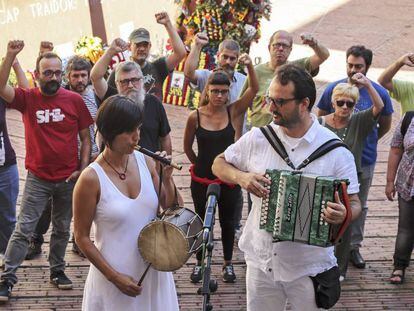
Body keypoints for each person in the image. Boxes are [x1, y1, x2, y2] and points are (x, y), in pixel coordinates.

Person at [211, 64, 361, 310]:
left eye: (280, 102)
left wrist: (344, 213)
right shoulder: (259, 137)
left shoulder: (336, 151)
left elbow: (354, 202)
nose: (271, 107)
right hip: (261, 261)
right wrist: (242, 178)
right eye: (270, 99)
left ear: (304, 103)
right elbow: (218, 164)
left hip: (310, 266)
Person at [0, 40, 93, 302]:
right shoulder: (28, 99)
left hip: (68, 178)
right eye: (47, 72)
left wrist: (82, 169)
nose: (52, 77)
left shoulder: (74, 100)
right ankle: (7, 278)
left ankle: (57, 270)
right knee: (24, 229)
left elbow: (86, 137)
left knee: (63, 228)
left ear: (62, 74)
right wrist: (9, 56)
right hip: (38, 178)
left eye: (56, 72)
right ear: (37, 75)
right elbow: (1, 87)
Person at [73, 95, 179, 310]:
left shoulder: (146, 161)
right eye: (129, 131)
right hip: (113, 276)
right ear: (109, 132)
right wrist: (114, 277)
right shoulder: (90, 178)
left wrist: (167, 179)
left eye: (138, 128)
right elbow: (81, 238)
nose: (136, 137)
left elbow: (172, 209)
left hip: (153, 271)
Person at [183, 53, 258, 283]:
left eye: (223, 91)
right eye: (214, 91)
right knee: (200, 221)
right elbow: (187, 148)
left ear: (228, 92)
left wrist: (249, 66)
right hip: (202, 178)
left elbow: (254, 89)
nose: (219, 95)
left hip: (228, 178)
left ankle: (227, 263)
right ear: (207, 91)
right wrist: (200, 165)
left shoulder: (232, 111)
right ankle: (199, 261)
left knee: (227, 222)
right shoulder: (194, 117)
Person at [317, 45, 394, 269]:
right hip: (331, 166)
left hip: (364, 159)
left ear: (367, 67)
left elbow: (385, 124)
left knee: (358, 205)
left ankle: (353, 247)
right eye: (350, 65)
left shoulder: (377, 92)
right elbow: (322, 118)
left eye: (358, 66)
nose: (353, 70)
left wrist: (364, 141)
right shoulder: (334, 87)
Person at [25, 55, 100, 260]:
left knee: (83, 203)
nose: (80, 80)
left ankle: (79, 240)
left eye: (84, 75)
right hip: (64, 161)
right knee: (48, 204)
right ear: (68, 76)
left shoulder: (95, 96)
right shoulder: (61, 95)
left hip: (88, 158)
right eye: (75, 75)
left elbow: (95, 129)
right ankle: (36, 239)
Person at [91, 38, 172, 154]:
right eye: (124, 81)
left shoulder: (153, 102)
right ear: (116, 83)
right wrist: (110, 51)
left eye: (134, 80)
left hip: (149, 167)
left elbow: (165, 137)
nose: (130, 85)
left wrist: (166, 168)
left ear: (142, 80)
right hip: (115, 168)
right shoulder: (111, 99)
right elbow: (95, 77)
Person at [242, 30, 330, 129]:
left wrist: (314, 44)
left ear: (290, 50)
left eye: (285, 46)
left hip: (287, 134)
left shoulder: (297, 68)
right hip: (259, 134)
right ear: (269, 47)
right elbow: (241, 106)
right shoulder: (256, 72)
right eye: (277, 45)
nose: (280, 49)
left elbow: (323, 56)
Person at [102, 11, 186, 101]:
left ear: (150, 46)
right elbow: (107, 97)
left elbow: (180, 53)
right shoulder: (119, 72)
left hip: (154, 114)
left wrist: (167, 24)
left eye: (145, 45)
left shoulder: (158, 67)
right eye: (138, 45)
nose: (142, 48)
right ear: (129, 47)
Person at [0, 57, 29, 268]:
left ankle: (9, 259)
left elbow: (26, 93)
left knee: (9, 217)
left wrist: (15, 62)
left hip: (5, 166)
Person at [385, 113, 414, 285]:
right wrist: (390, 181)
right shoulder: (408, 119)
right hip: (407, 184)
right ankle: (399, 266)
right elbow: (396, 150)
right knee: (405, 228)